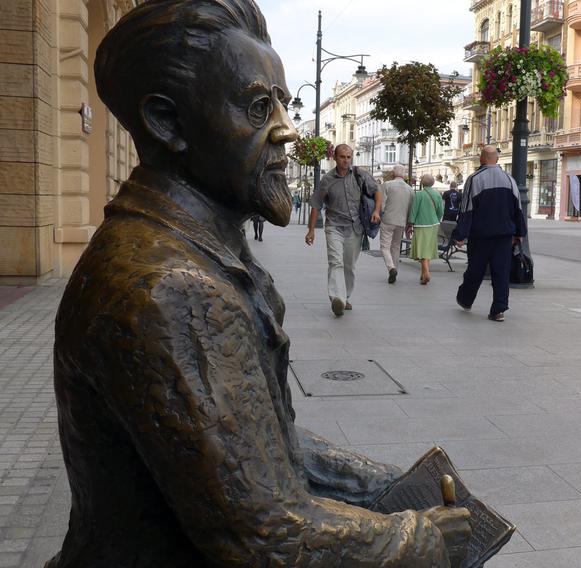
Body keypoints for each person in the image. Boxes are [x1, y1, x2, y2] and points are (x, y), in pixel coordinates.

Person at [48, 1, 470, 566]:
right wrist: (421, 540)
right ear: (167, 122)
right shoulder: (170, 289)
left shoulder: (193, 252)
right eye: (256, 108)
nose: (288, 131)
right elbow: (265, 534)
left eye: (283, 104)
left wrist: (384, 486)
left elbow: (265, 446)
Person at [306, 144, 382, 316]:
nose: (346, 160)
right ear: (335, 158)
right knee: (336, 262)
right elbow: (316, 205)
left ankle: (345, 296)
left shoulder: (359, 174)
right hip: (334, 226)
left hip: (355, 227)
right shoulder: (327, 179)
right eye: (342, 157)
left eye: (348, 157)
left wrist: (377, 210)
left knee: (349, 266)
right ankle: (336, 298)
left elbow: (377, 190)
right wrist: (311, 230)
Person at [453, 145, 527, 322]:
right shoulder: (510, 180)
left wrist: (460, 234)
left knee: (475, 270)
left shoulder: (474, 179)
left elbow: (467, 209)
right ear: (497, 159)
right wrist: (519, 232)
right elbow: (518, 209)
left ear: (481, 159)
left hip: (481, 236)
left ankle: (466, 299)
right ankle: (498, 310)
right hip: (504, 236)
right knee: (501, 272)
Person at [379, 164, 413, 284]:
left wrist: (380, 215)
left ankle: (391, 268)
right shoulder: (410, 189)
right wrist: (409, 222)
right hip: (401, 222)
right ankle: (394, 271)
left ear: (393, 174)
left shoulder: (387, 185)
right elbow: (410, 208)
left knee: (384, 246)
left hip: (388, 219)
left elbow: (382, 204)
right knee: (396, 246)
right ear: (403, 175)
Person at [408, 174, 445, 285]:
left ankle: (427, 273)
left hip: (421, 225)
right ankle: (423, 273)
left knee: (422, 249)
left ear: (422, 183)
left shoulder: (419, 195)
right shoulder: (437, 194)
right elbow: (440, 211)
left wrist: (410, 223)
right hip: (433, 224)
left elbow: (414, 210)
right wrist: (436, 219)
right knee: (427, 248)